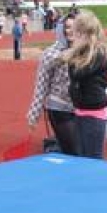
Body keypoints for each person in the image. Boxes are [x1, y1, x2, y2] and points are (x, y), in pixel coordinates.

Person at [64, 11, 107, 159]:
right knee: (82, 156)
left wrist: (73, 52)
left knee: (93, 157)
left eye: (76, 32)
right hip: (80, 109)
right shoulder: (82, 52)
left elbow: (79, 73)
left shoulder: (99, 52)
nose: (73, 35)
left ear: (84, 33)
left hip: (94, 113)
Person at [26, 17, 77, 155]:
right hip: (60, 108)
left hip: (81, 108)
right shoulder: (50, 54)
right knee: (73, 150)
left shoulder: (84, 51)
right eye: (67, 27)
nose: (70, 30)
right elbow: (41, 84)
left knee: (81, 150)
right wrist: (34, 114)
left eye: (75, 26)